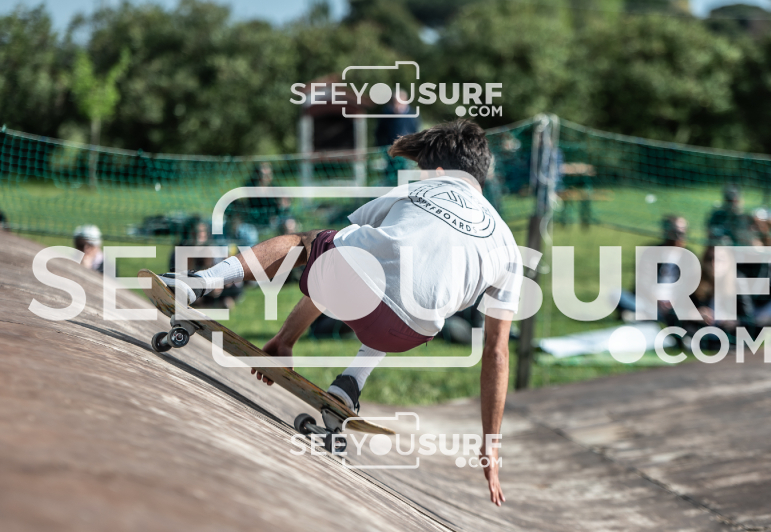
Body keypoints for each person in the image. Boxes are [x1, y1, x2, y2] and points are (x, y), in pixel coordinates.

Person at [159, 120, 521, 506]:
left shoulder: (418, 190)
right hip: (407, 333)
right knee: (407, 291)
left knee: (306, 243)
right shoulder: (508, 246)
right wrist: (491, 443)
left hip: (355, 285)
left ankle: (198, 283)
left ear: (438, 172)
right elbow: (497, 353)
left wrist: (286, 339)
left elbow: (338, 266)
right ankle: (349, 386)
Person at [617, 215, 688, 324]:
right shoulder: (651, 252)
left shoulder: (688, 257)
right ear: (666, 232)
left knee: (683, 311)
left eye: (683, 233)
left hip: (674, 305)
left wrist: (674, 302)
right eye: (676, 233)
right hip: (649, 301)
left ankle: (645, 316)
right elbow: (643, 282)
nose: (680, 237)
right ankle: (651, 315)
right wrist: (656, 300)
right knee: (617, 295)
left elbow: (689, 287)